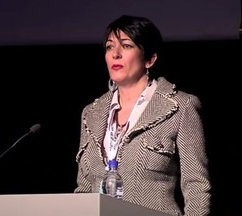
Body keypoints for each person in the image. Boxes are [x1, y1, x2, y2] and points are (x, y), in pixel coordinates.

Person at [74, 14, 211, 216]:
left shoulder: (180, 106)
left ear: (149, 59)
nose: (115, 54)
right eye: (110, 47)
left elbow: (196, 184)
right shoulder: (91, 113)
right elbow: (84, 188)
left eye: (127, 46)